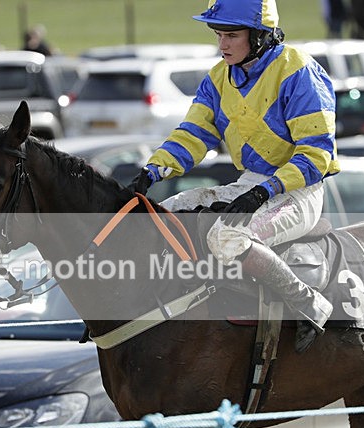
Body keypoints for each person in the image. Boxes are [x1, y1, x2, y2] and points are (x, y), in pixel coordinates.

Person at [131, 0, 340, 353]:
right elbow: (193, 135)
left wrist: (264, 192)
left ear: (259, 36)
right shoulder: (218, 77)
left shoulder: (299, 71)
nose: (222, 44)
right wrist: (151, 172)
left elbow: (317, 155)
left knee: (226, 237)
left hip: (299, 190)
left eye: (231, 35)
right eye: (218, 35)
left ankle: (309, 304)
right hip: (251, 183)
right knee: (164, 213)